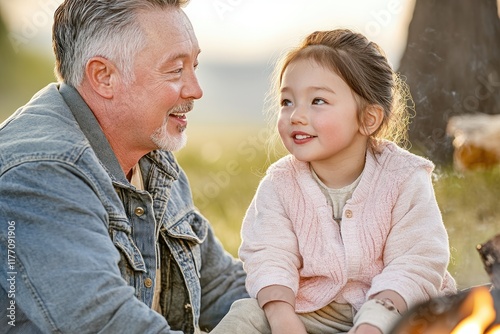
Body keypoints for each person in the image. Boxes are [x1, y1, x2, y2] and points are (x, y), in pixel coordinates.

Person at [0, 0, 248, 333]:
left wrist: (326, 312)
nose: (195, 89)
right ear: (104, 76)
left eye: (194, 66)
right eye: (176, 70)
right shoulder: (40, 171)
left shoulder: (151, 158)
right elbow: (108, 323)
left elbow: (219, 286)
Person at [211, 29, 457, 334]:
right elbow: (269, 255)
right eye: (287, 101)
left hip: (394, 308)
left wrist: (374, 324)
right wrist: (283, 318)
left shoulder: (404, 178)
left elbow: (416, 261)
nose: (296, 115)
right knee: (247, 313)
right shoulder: (281, 184)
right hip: (314, 311)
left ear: (368, 118)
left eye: (317, 101)